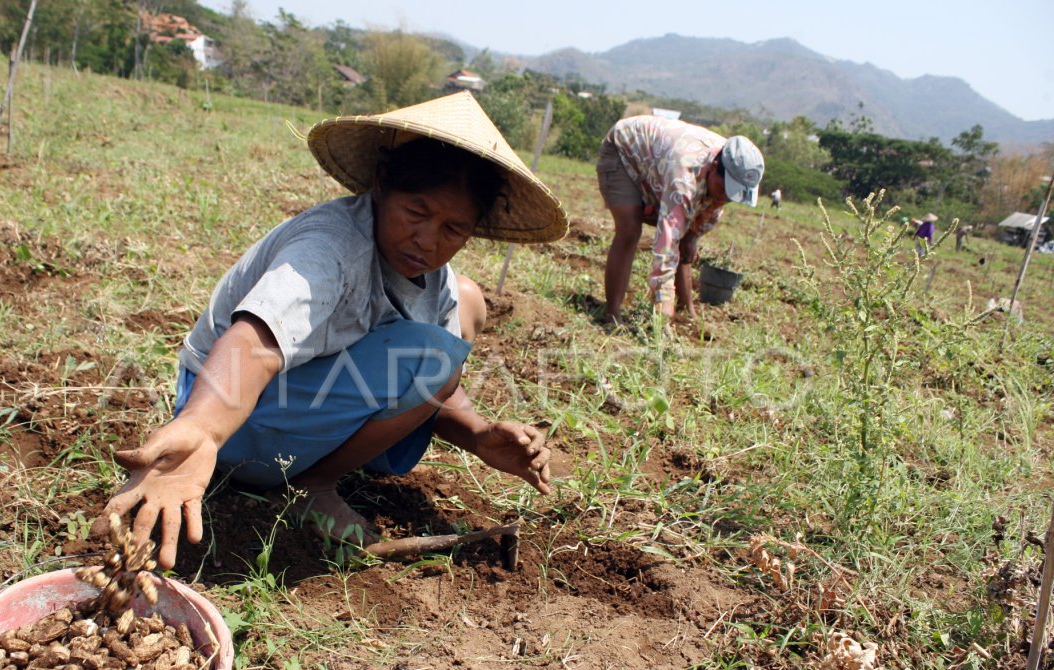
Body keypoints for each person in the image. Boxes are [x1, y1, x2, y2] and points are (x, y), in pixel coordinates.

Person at [94, 92, 569, 568]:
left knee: (466, 304)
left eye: (452, 229)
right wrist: (201, 429)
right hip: (230, 415)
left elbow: (437, 387)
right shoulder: (329, 250)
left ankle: (312, 470)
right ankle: (311, 485)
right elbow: (254, 343)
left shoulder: (435, 279)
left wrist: (480, 435)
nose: (427, 240)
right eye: (417, 213)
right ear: (382, 185)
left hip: (288, 408)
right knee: (428, 354)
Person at [596, 115, 764, 325]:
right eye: (723, 189)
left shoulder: (731, 168)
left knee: (685, 240)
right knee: (629, 230)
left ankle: (687, 312)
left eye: (732, 196)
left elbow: (688, 233)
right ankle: (612, 314)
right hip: (625, 152)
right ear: (713, 167)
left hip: (660, 165)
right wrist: (663, 303)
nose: (723, 199)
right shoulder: (684, 177)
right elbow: (667, 242)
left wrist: (692, 238)